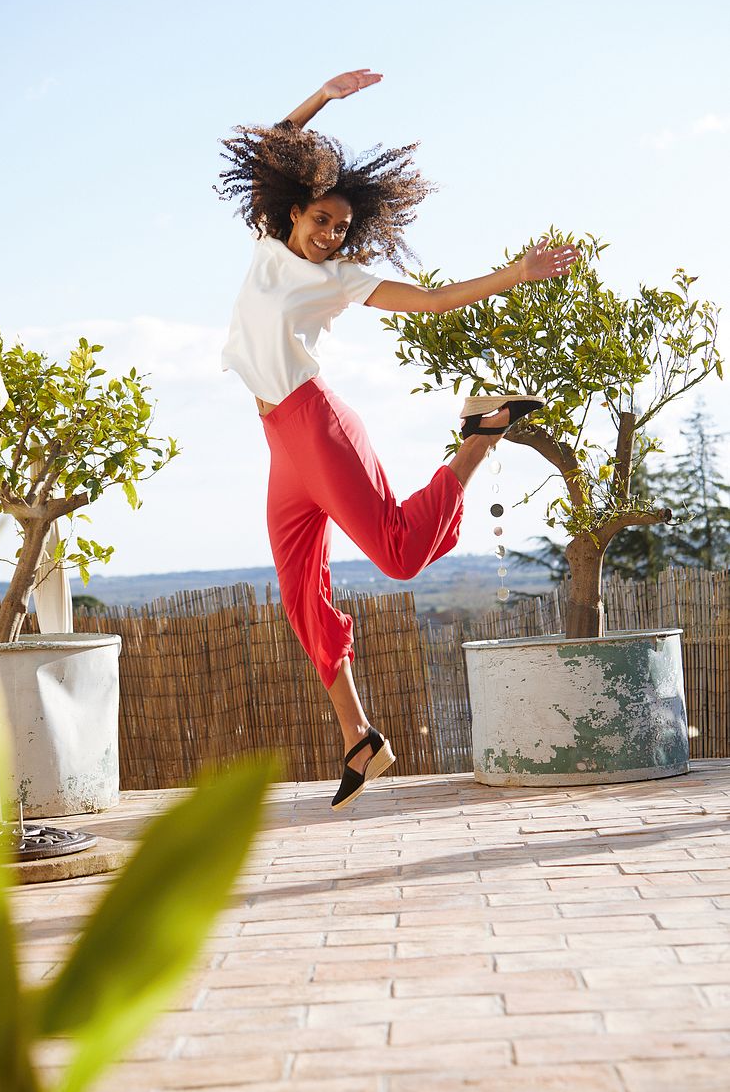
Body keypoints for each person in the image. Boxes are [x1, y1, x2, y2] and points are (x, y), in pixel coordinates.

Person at [217, 69, 579, 810]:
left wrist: (519, 272)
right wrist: (322, 97)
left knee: (401, 554)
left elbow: (435, 300)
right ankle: (359, 737)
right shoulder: (265, 242)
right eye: (321, 219)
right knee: (300, 594)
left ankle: (478, 437)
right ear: (293, 211)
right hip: (280, 443)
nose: (330, 233)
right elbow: (276, 147)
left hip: (316, 427)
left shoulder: (340, 278)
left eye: (342, 227)